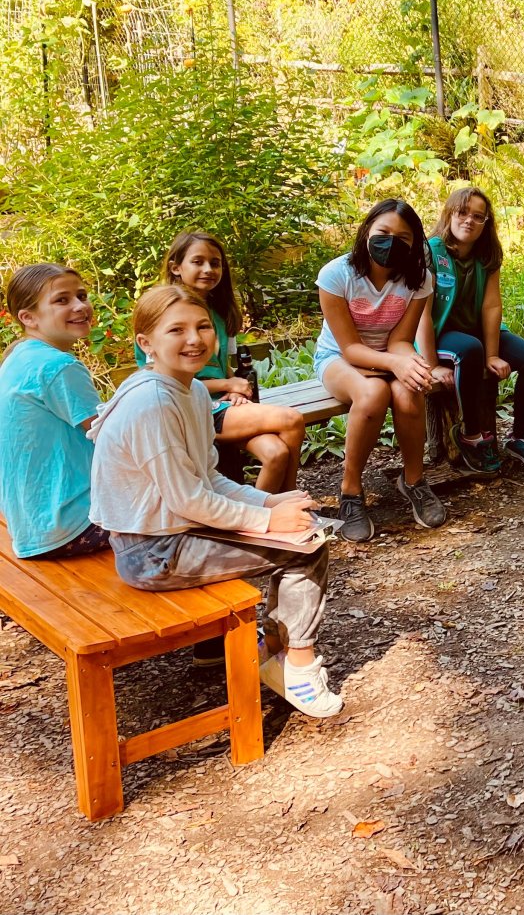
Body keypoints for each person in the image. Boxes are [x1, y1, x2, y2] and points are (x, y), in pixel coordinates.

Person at [88, 285, 342, 717]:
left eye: (203, 326)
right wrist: (268, 522)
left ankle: (276, 654)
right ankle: (296, 667)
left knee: (301, 527)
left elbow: (209, 480)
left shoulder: (189, 391)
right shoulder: (152, 402)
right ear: (146, 343)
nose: (195, 338)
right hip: (151, 551)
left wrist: (267, 503)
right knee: (306, 549)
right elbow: (189, 499)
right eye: (177, 330)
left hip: (172, 532)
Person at [315, 198, 445, 541]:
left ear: (415, 244)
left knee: (408, 390)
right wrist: (396, 363)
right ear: (367, 231)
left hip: (388, 355)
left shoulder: (420, 280)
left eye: (403, 238)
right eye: (383, 233)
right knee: (373, 394)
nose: (391, 243)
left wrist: (410, 364)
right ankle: (350, 491)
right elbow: (350, 348)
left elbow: (401, 340)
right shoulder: (336, 274)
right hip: (339, 359)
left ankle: (414, 481)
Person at [137, 232, 306, 493]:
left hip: (222, 405)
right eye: (198, 262)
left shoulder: (219, 313)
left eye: (215, 263)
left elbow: (223, 366)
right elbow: (163, 385)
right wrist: (228, 383)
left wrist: (232, 390)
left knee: (275, 452)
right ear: (176, 267)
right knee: (291, 419)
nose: (208, 269)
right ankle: (291, 501)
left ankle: (268, 516)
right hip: (192, 409)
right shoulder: (161, 315)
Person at [418, 183, 524, 477]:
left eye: (478, 216)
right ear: (449, 214)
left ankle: (519, 436)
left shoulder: (488, 253)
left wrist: (493, 355)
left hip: (477, 334)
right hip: (441, 334)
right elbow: (422, 313)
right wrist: (429, 366)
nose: (469, 220)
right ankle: (471, 435)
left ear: (485, 223)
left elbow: (492, 307)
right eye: (463, 212)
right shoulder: (431, 251)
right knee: (469, 349)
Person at [0, 264, 108, 558]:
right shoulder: (58, 367)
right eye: (62, 300)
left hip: (31, 522)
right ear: (28, 318)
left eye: (82, 295)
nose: (80, 306)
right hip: (71, 527)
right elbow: (113, 437)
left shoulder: (19, 357)